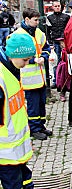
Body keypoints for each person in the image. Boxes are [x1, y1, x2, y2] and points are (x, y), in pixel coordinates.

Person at [0, 33, 36, 189]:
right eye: (25, 60)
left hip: (15, 148)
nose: (26, 64)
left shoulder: (11, 68)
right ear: (14, 54)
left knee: (24, 179)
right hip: (5, 153)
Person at [15, 8, 52, 141]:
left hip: (40, 77)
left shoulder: (39, 33)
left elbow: (46, 47)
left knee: (41, 103)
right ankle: (34, 129)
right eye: (35, 20)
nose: (37, 22)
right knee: (33, 105)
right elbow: (14, 56)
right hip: (28, 79)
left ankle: (41, 126)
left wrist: (44, 57)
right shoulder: (18, 35)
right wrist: (32, 60)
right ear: (27, 20)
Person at [47, 1, 70, 88]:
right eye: (55, 6)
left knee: (66, 60)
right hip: (55, 42)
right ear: (52, 7)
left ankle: (67, 79)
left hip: (65, 42)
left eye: (58, 6)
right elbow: (47, 31)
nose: (57, 7)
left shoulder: (66, 17)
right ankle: (56, 80)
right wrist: (50, 42)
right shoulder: (49, 18)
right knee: (56, 61)